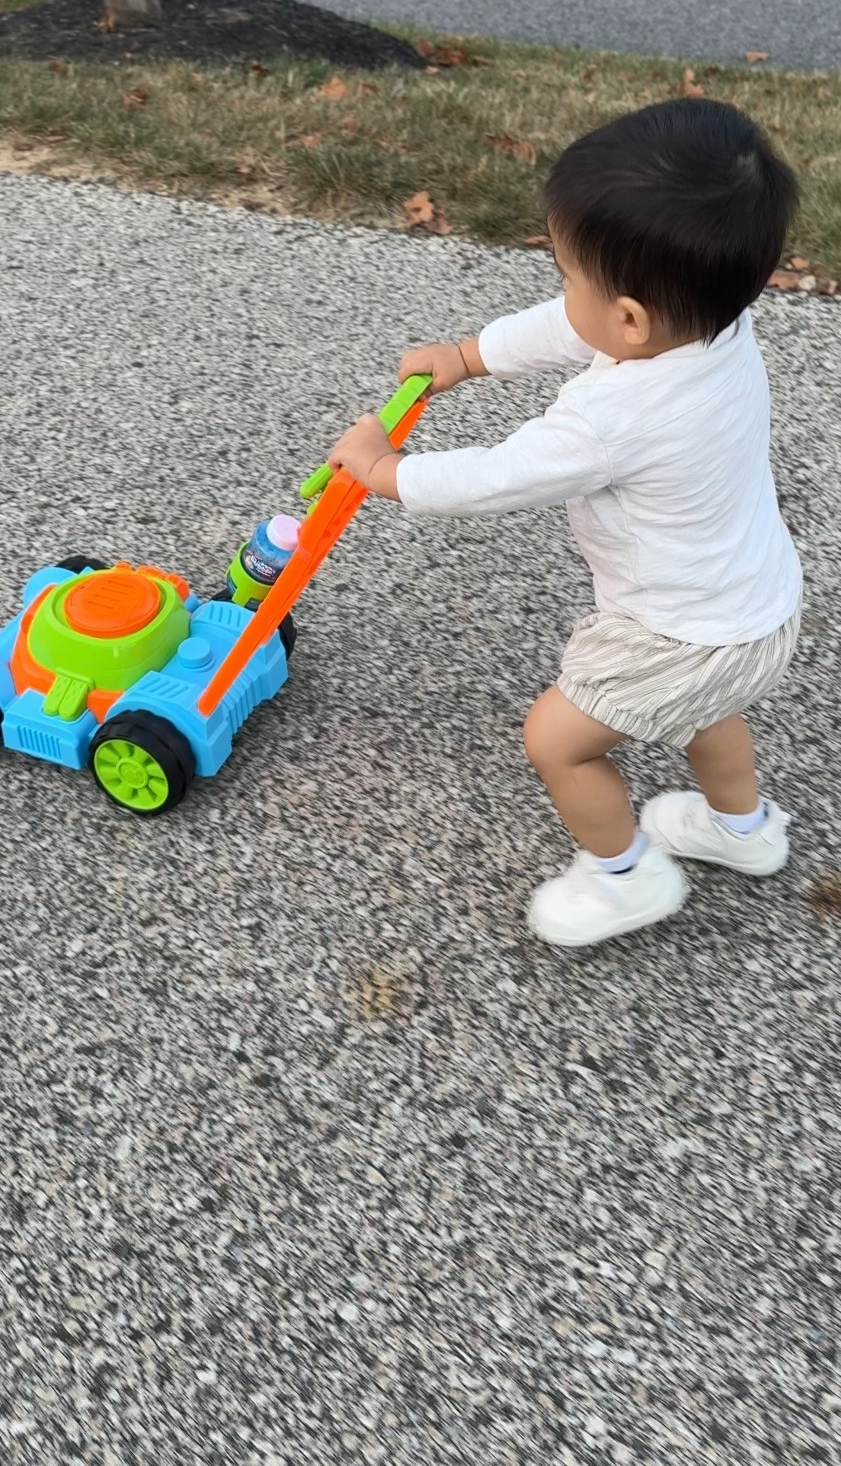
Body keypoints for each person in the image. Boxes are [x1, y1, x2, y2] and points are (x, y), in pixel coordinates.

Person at [329, 98, 802, 950]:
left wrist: (385, 471)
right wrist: (471, 356)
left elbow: (498, 477)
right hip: (754, 604)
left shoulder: (614, 418)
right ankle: (745, 831)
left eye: (569, 275)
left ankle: (626, 876)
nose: (562, 293)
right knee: (709, 709)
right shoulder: (711, 322)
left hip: (675, 632)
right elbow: (569, 325)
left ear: (628, 320)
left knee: (558, 741)